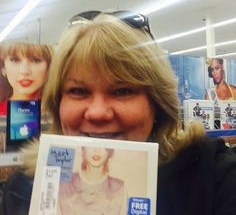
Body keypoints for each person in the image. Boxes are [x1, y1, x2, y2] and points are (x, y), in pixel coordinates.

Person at [3, 11, 236, 215]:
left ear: (157, 104)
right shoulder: (24, 190)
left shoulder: (215, 179)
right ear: (58, 105)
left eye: (123, 90)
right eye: (78, 91)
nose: (98, 113)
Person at [58, 147, 126, 215]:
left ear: (110, 152)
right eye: (91, 146)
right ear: (84, 149)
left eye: (102, 146)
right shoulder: (64, 183)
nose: (96, 150)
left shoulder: (119, 188)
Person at [0, 42, 53, 115]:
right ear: (3, 67)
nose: (24, 71)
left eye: (35, 60)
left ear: (49, 67)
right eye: (15, 60)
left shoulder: (59, 110)